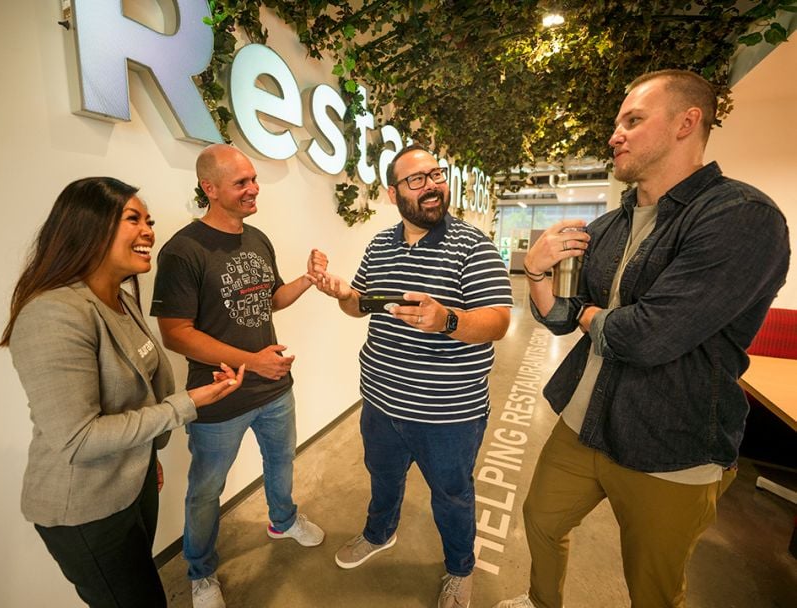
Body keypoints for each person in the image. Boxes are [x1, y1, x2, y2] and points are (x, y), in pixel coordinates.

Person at [493, 69, 790, 608]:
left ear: (687, 123)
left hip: (671, 446)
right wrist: (535, 277)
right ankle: (541, 601)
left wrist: (590, 316)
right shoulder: (608, 227)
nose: (615, 135)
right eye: (616, 123)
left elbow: (646, 337)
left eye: (632, 120)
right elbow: (562, 318)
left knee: (652, 586)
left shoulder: (739, 218)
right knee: (539, 519)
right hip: (582, 420)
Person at [0, 177, 244, 608]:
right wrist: (188, 404)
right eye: (134, 219)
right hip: (86, 509)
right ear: (87, 225)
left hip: (133, 481)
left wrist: (146, 459)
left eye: (148, 220)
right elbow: (77, 438)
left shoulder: (120, 299)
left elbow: (143, 385)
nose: (149, 230)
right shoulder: (53, 314)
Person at [314, 144, 513, 608]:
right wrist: (343, 293)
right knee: (383, 478)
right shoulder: (381, 244)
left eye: (435, 175)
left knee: (452, 496)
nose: (431, 186)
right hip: (381, 403)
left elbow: (499, 321)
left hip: (448, 414)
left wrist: (448, 320)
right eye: (416, 180)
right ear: (393, 193)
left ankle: (460, 570)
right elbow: (359, 305)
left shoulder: (472, 245)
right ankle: (380, 533)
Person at [150, 144, 327, 608]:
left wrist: (307, 280)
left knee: (282, 462)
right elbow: (176, 334)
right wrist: (251, 362)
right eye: (241, 183)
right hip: (217, 397)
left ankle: (283, 520)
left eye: (253, 179)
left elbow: (269, 299)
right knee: (206, 489)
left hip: (274, 387)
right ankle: (201, 572)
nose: (253, 189)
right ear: (210, 188)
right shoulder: (182, 251)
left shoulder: (257, 238)